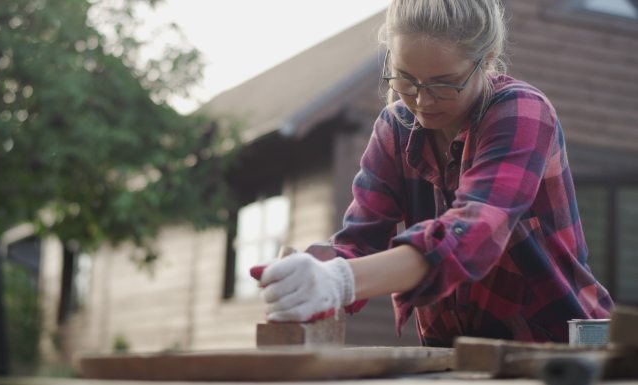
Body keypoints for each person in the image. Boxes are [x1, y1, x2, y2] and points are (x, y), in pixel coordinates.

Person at [254, 0, 614, 347]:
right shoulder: (395, 127)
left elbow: (472, 233)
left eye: (444, 84)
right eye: (406, 80)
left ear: (485, 61)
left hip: (565, 346)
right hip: (455, 352)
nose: (422, 101)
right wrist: (313, 273)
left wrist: (341, 281)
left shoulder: (523, 113)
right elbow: (359, 243)